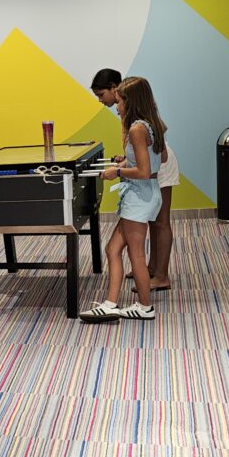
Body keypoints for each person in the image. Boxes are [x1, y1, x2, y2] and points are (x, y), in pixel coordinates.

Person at [80, 76, 164, 322]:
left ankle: (145, 306)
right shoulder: (153, 125)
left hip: (139, 196)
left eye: (119, 102)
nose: (116, 107)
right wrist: (127, 161)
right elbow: (160, 160)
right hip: (145, 193)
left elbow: (144, 171)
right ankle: (110, 303)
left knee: (135, 254)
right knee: (112, 249)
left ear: (131, 101)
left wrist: (116, 172)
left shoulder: (137, 129)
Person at [91, 68, 177, 291]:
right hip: (150, 165)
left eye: (102, 95)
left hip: (159, 167)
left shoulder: (136, 122)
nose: (103, 101)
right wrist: (127, 160)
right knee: (150, 220)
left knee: (160, 221)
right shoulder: (138, 116)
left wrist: (119, 171)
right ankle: (149, 269)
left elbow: (147, 166)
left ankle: (161, 275)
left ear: (114, 89)